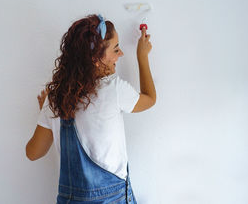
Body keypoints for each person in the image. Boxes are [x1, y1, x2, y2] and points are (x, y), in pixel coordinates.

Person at [26, 14, 156, 203]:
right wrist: (142, 56)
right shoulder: (113, 89)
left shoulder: (54, 99)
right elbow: (150, 98)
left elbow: (33, 153)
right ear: (96, 59)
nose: (120, 55)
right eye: (116, 49)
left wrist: (46, 113)